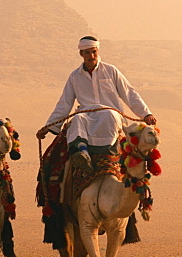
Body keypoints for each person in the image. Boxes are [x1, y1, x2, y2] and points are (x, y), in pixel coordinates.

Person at [36, 36, 157, 164]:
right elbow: (64, 103)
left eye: (94, 51)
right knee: (78, 119)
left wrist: (146, 114)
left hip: (111, 113)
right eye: (87, 52)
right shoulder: (75, 76)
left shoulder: (111, 71)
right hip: (86, 115)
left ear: (98, 51)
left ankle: (108, 153)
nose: (91, 55)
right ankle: (82, 153)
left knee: (108, 115)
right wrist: (49, 126)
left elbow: (129, 93)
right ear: (81, 53)